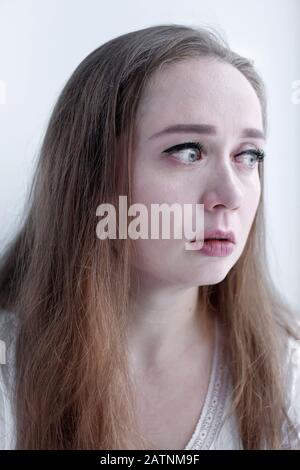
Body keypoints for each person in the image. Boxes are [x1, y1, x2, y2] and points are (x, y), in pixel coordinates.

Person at [0, 23, 300, 450]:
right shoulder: (9, 375)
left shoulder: (287, 379)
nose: (231, 195)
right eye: (188, 151)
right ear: (92, 175)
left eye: (248, 156)